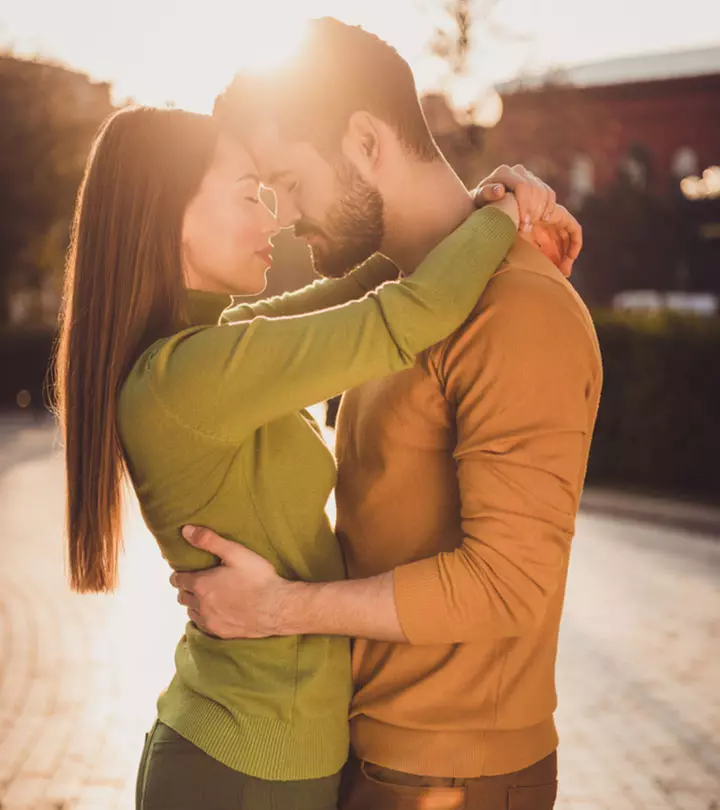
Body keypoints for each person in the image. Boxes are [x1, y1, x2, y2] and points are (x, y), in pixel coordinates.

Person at [54, 102, 568, 809]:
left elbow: (364, 290)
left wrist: (471, 210)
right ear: (166, 214)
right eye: (247, 194)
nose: (274, 218)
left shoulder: (217, 341)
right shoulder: (191, 374)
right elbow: (405, 316)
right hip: (242, 768)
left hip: (263, 753)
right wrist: (505, 214)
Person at [171, 17, 603, 810]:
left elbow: (509, 585)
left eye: (292, 183)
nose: (289, 216)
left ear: (366, 141)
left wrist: (278, 609)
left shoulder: (518, 312)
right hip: (374, 760)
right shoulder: (402, 305)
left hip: (453, 780)